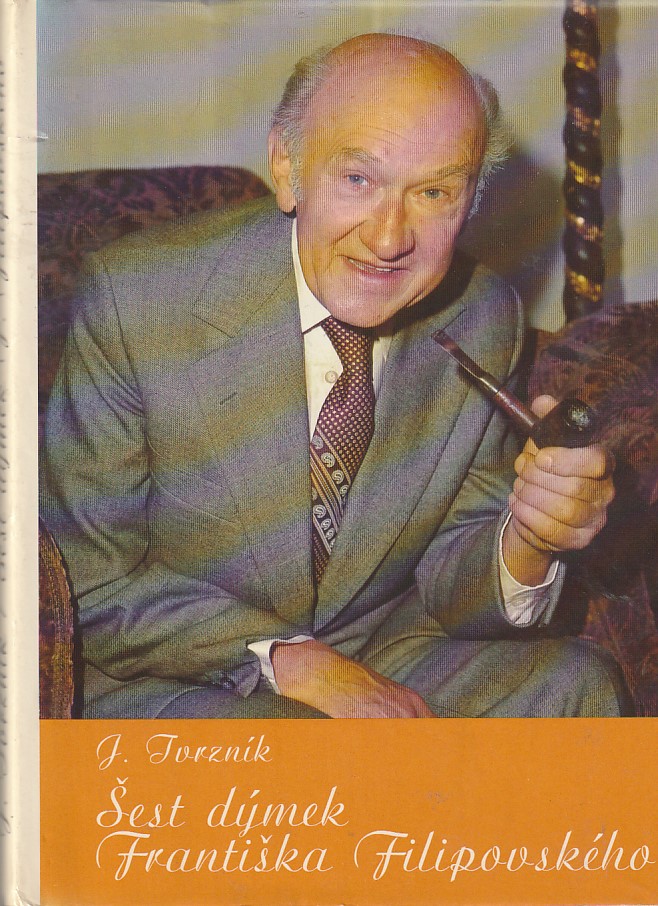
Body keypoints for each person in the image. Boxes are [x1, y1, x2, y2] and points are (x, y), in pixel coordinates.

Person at [40, 33, 630, 718]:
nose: (389, 239)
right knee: (291, 746)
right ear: (286, 168)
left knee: (576, 688)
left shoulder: (482, 315)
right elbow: (90, 579)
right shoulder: (139, 299)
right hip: (183, 675)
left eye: (434, 192)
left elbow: (452, 580)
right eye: (358, 180)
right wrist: (290, 660)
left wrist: (530, 535)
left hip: (378, 653)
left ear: (470, 199)